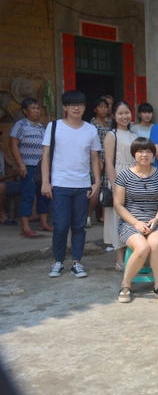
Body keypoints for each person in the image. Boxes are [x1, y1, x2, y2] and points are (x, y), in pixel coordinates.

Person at [41, 90, 102, 279]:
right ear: (65, 107)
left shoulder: (90, 130)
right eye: (72, 104)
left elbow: (94, 158)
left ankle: (76, 262)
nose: (76, 108)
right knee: (60, 226)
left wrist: (97, 182)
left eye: (80, 104)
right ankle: (58, 261)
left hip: (83, 185)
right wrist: (46, 182)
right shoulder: (54, 127)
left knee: (79, 226)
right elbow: (46, 156)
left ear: (84, 107)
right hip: (59, 184)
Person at [113, 137, 158, 303]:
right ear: (134, 154)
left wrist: (156, 220)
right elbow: (118, 205)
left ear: (153, 154)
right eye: (140, 151)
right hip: (130, 222)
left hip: (154, 221)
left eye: (148, 151)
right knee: (142, 247)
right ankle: (126, 285)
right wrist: (135, 223)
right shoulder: (124, 176)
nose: (144, 155)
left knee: (156, 243)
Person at [103, 100, 138, 272]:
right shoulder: (112, 135)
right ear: (114, 116)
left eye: (127, 113)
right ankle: (119, 259)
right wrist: (115, 185)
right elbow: (109, 163)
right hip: (119, 176)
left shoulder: (134, 135)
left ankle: (133, 256)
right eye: (120, 113)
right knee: (118, 218)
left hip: (135, 176)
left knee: (133, 217)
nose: (124, 116)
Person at [9, 98, 51, 235]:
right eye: (33, 108)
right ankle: (25, 227)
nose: (36, 111)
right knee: (28, 195)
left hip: (42, 167)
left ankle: (43, 224)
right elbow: (13, 145)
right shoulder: (20, 125)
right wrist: (21, 164)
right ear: (25, 110)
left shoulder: (41, 127)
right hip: (28, 166)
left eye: (38, 108)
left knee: (44, 194)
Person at [87, 96, 111, 227]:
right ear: (95, 109)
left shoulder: (109, 123)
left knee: (106, 189)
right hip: (97, 159)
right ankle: (88, 216)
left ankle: (104, 217)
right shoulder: (92, 125)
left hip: (109, 159)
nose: (103, 109)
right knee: (95, 189)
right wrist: (98, 161)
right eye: (100, 107)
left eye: (105, 107)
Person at [0, 130, 20, 225]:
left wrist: (17, 168)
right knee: (1, 187)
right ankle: (2, 216)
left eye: (1, 141)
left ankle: (33, 215)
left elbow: (14, 165)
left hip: (7, 185)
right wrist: (10, 175)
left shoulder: (2, 154)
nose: (1, 144)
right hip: (2, 186)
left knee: (31, 184)